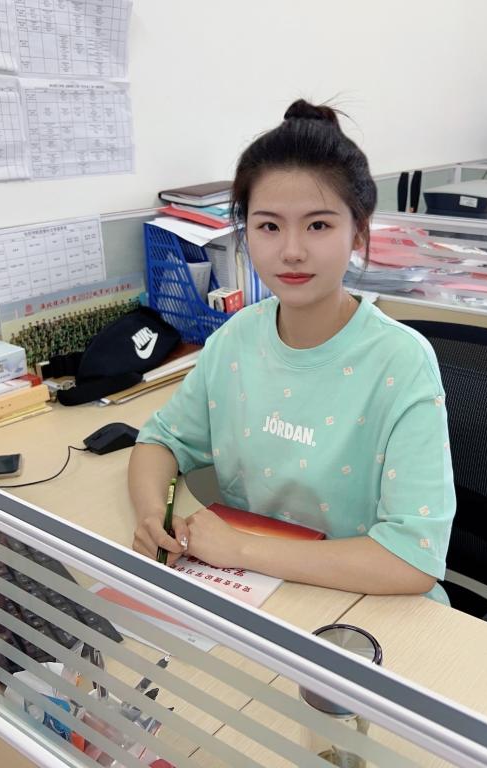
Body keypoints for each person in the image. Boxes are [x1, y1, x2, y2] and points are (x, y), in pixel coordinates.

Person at [128, 100, 455, 600]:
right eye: (269, 226)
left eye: (318, 225)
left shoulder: (402, 362)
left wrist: (242, 549)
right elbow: (161, 441)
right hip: (259, 594)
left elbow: (412, 560)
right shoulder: (237, 338)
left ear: (359, 231)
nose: (292, 251)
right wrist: (155, 515)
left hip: (366, 606)